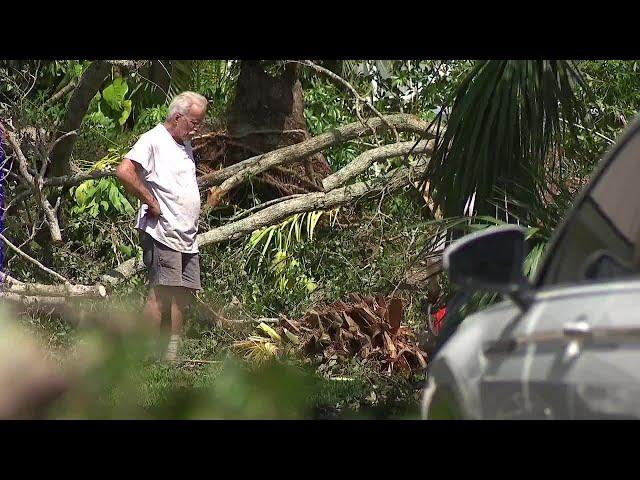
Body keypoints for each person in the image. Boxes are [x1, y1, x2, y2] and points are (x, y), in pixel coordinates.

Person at [115, 91, 208, 361]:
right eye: (193, 122)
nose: (196, 129)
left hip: (186, 234)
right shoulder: (154, 139)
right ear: (177, 117)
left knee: (182, 293)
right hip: (162, 231)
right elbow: (124, 171)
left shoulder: (183, 142)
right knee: (161, 292)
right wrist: (151, 202)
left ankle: (170, 353)